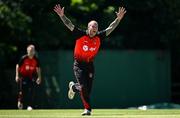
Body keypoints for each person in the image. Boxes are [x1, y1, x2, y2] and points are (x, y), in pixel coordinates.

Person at [53, 4, 126, 115]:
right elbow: (69, 24)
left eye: (96, 27)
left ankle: (73, 87)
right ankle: (88, 109)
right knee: (83, 88)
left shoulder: (99, 36)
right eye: (93, 26)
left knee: (87, 90)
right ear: (88, 27)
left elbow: (110, 27)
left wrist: (118, 19)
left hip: (90, 65)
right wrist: (62, 16)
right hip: (79, 64)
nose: (95, 29)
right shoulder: (80, 34)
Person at [15, 44, 41, 110]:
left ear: (34, 51)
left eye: (32, 51)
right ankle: (20, 102)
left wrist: (39, 77)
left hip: (30, 76)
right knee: (22, 91)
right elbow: (18, 66)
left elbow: (38, 68)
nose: (31, 52)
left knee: (32, 91)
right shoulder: (23, 58)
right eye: (30, 51)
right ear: (27, 51)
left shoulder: (36, 59)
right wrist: (17, 75)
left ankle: (29, 106)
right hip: (22, 77)